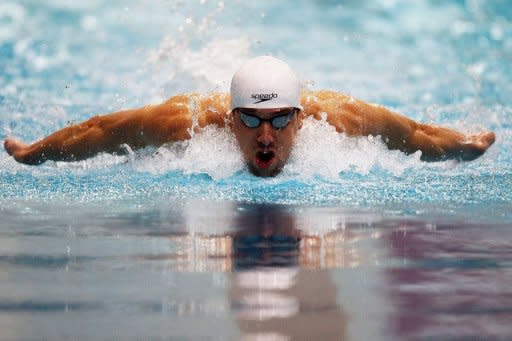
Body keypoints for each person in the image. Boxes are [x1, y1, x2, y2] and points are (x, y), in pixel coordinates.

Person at [3, 56, 496, 177]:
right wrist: (33, 154)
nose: (266, 135)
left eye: (281, 120)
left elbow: (412, 133)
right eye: (252, 120)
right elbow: (101, 130)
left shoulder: (340, 118)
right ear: (230, 117)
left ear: (301, 120)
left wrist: (462, 146)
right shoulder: (191, 121)